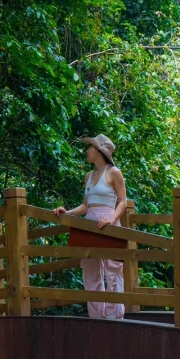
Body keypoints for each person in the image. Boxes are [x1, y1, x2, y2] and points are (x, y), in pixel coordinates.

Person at [55, 135, 127, 320]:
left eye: (90, 147)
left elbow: (123, 202)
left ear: (99, 151)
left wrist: (111, 220)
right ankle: (96, 317)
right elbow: (86, 205)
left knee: (113, 270)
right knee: (90, 271)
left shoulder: (114, 172)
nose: (87, 151)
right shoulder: (88, 176)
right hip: (88, 222)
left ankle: (114, 317)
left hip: (107, 222)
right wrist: (66, 213)